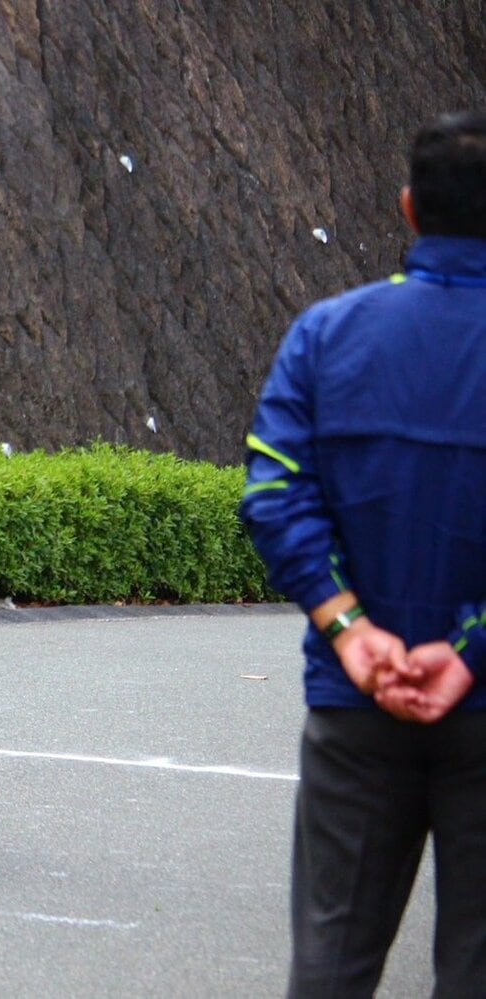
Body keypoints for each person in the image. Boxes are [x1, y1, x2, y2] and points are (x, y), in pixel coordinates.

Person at [239, 110, 486, 996]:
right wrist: (466, 651)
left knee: (333, 969)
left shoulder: (327, 334)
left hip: (356, 699)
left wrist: (349, 629)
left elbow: (271, 495)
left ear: (409, 208)